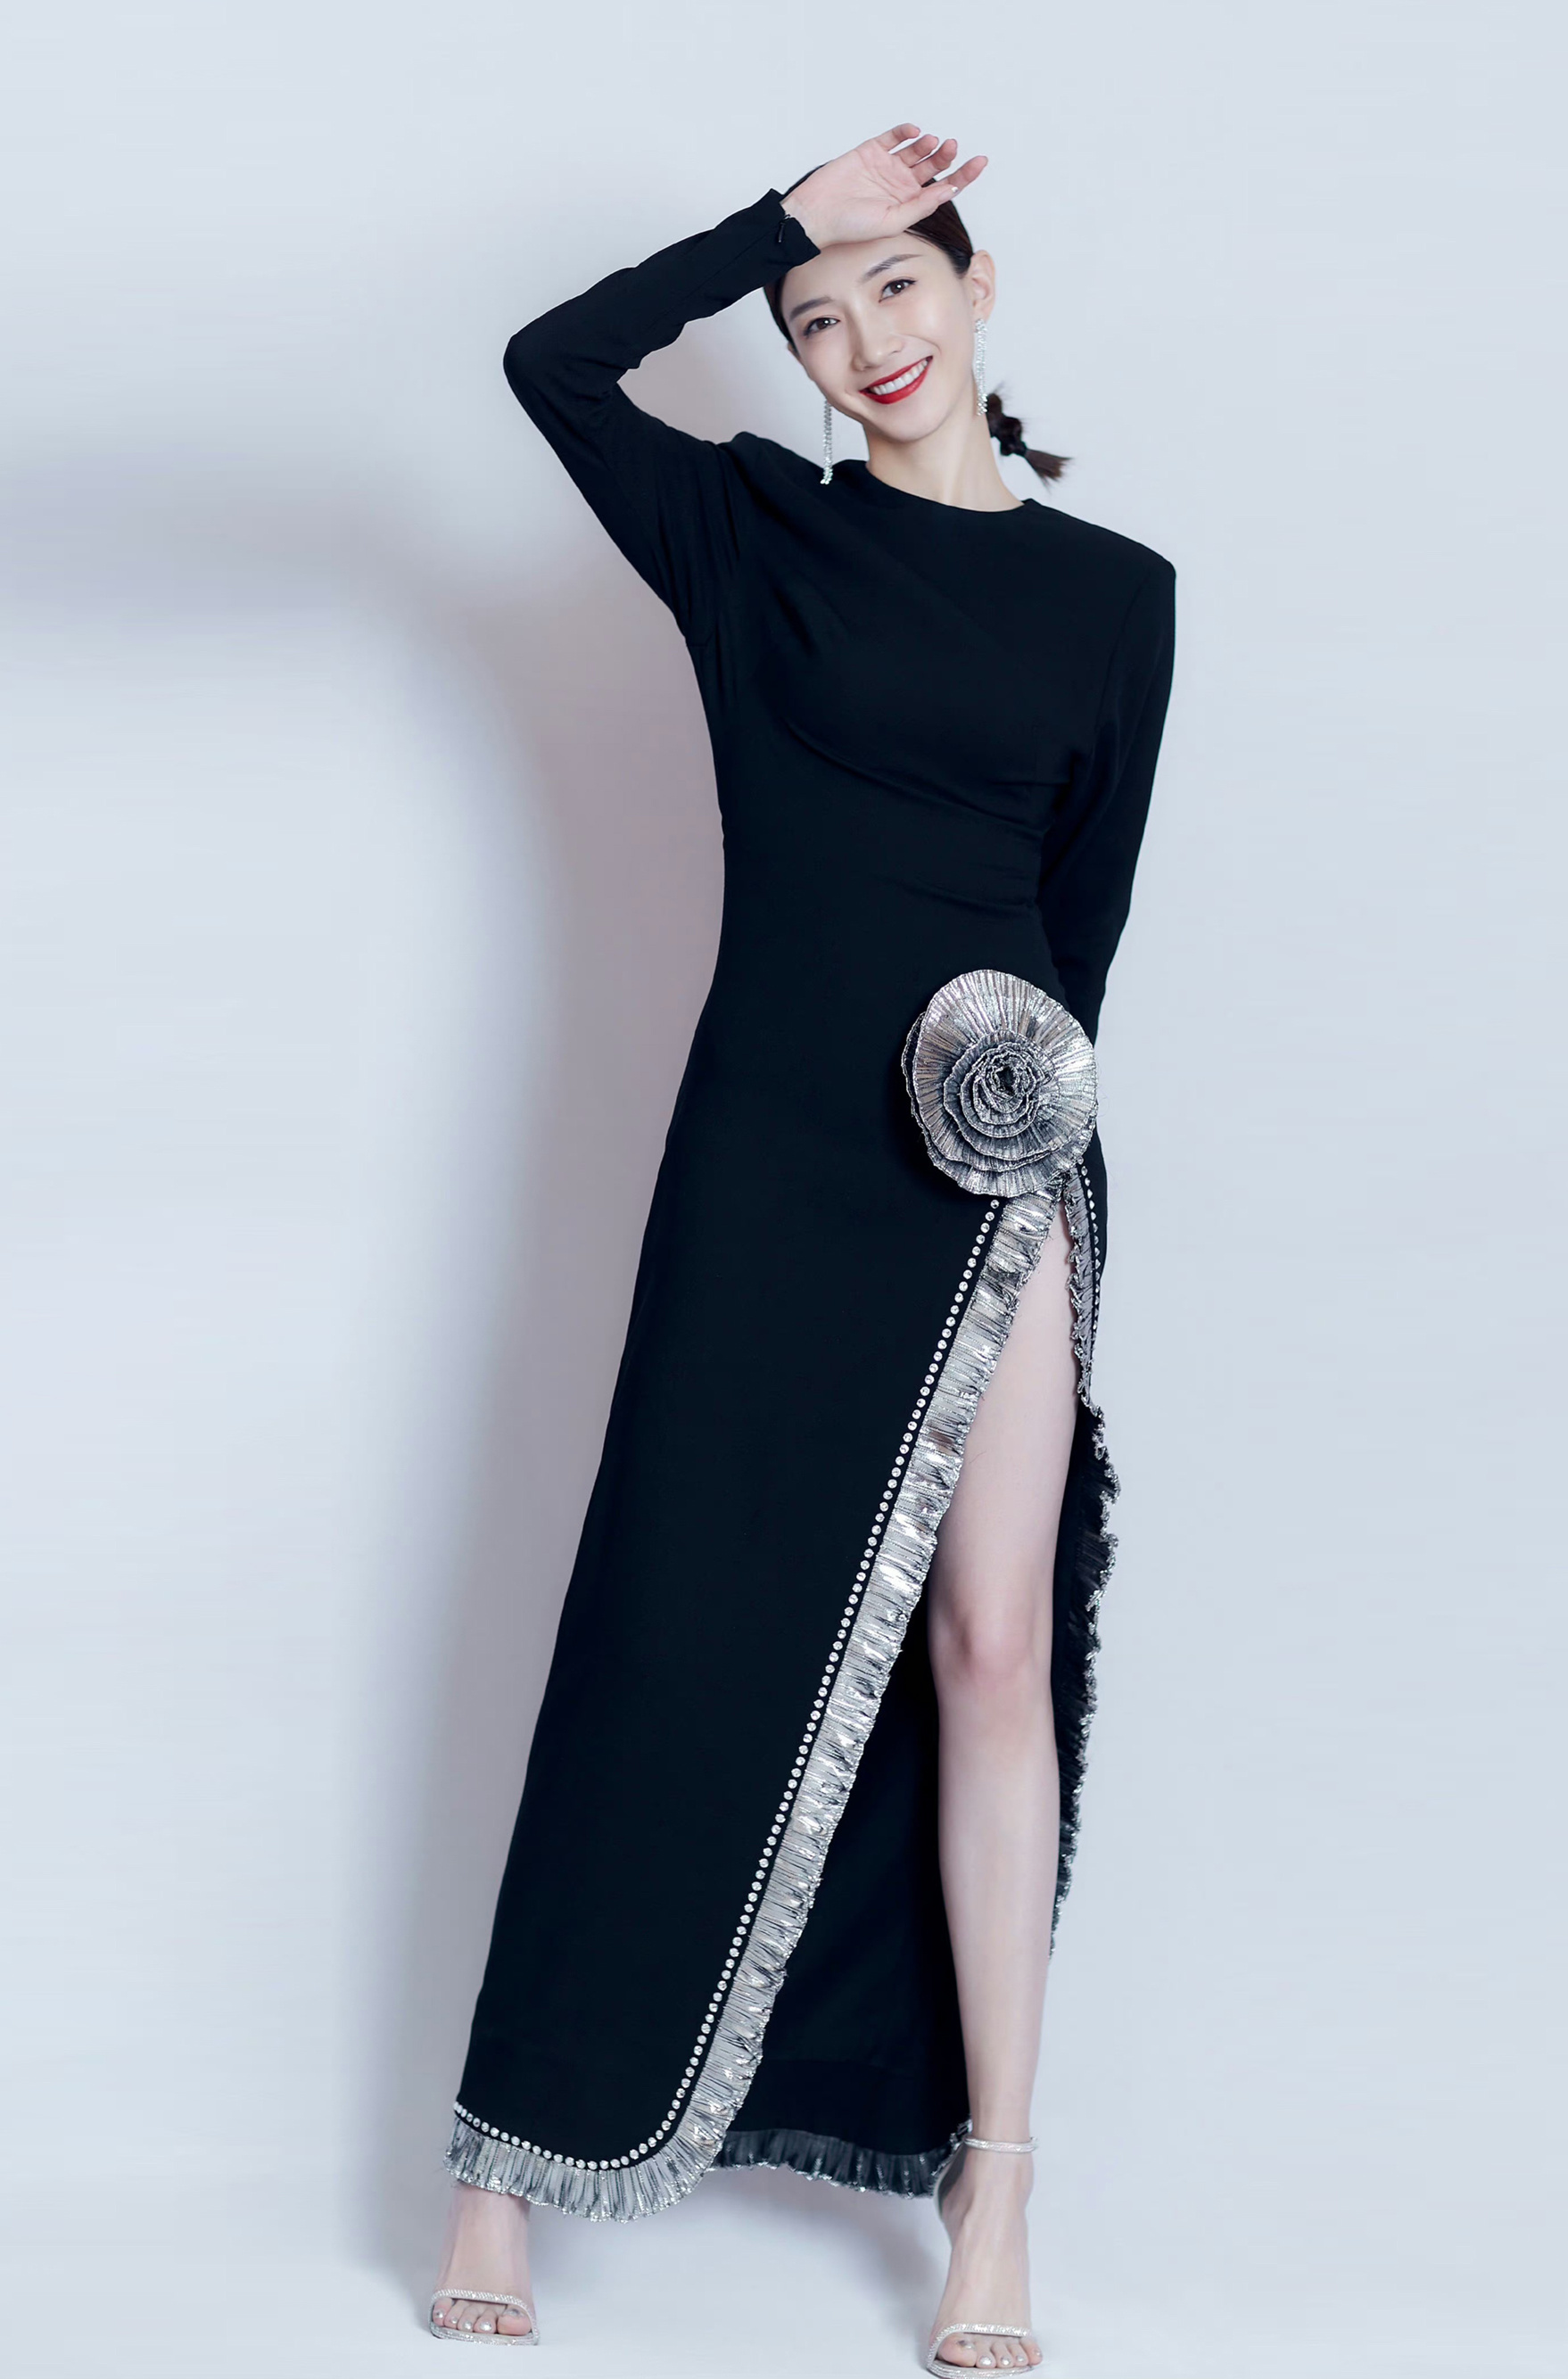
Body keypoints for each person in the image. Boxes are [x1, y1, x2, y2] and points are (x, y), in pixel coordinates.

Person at [426, 125, 1176, 2375]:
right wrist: (780, 217)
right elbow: (551, 364)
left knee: (992, 1643)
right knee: (669, 1619)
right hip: (769, 1149)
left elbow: (1082, 925)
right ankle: (505, 2154)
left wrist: (1033, 1165)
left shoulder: (1118, 594)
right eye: (818, 316)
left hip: (994, 1163)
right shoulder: (748, 539)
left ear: (975, 286)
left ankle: (993, 2190)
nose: (865, 340)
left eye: (897, 286)